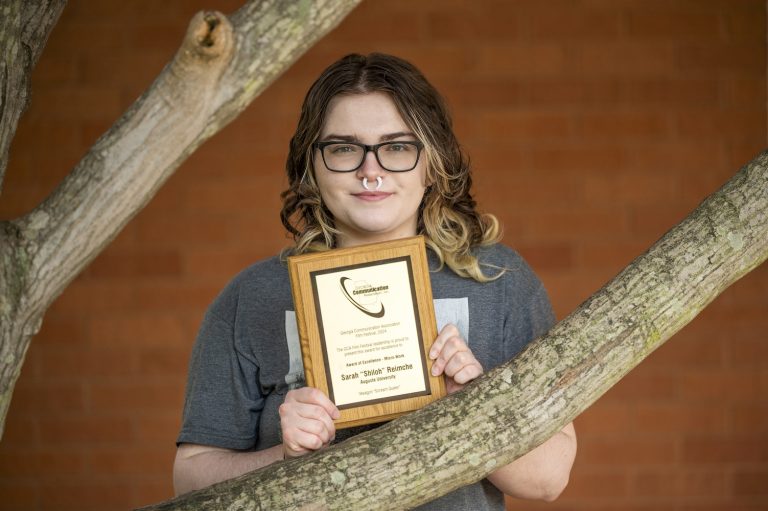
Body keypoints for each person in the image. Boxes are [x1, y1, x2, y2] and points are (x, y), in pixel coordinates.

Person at [173, 53, 576, 509]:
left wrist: (469, 409)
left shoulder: (500, 282)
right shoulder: (253, 296)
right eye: (344, 148)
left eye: (398, 147)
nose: (371, 171)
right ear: (313, 166)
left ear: (432, 163)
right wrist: (284, 459)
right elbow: (190, 484)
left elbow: (548, 479)